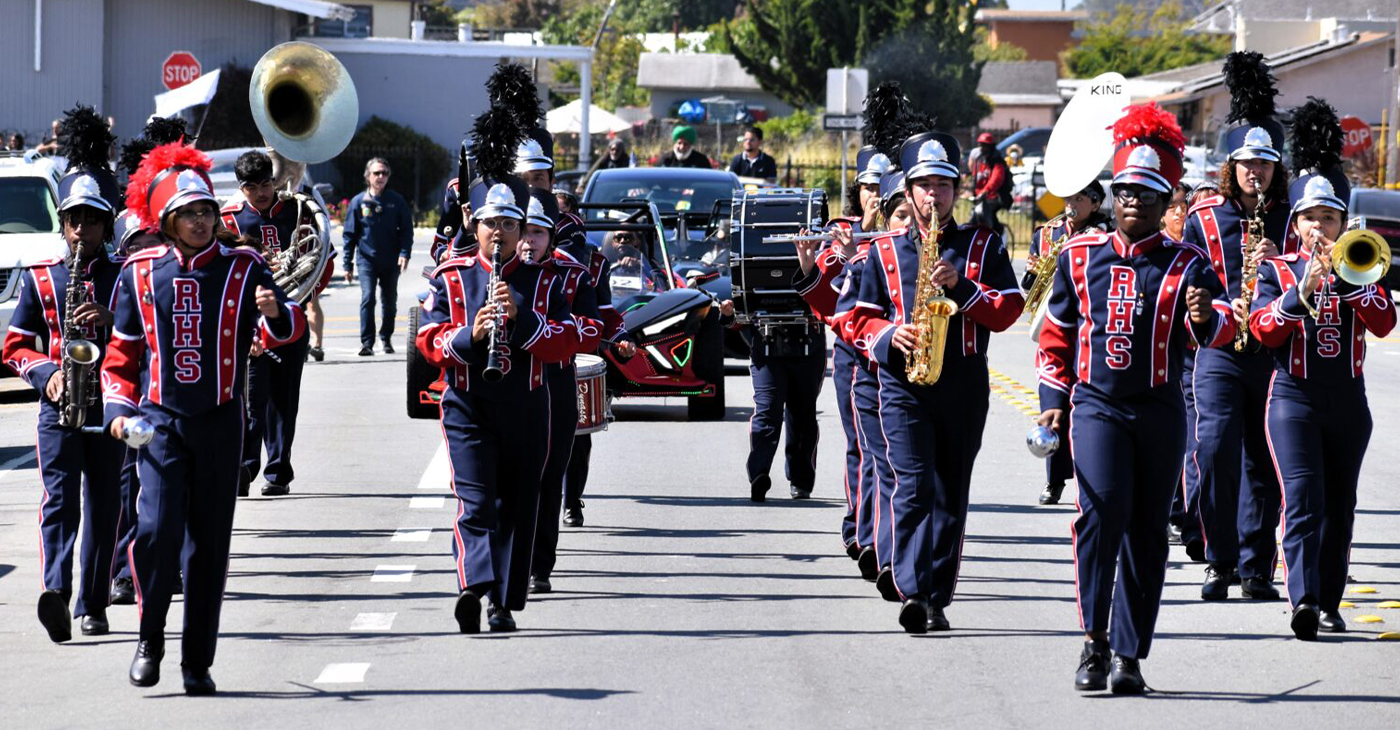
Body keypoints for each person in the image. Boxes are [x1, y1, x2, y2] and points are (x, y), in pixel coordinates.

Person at [1036, 103, 1232, 694]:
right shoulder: (1078, 255)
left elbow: (1223, 321)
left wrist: (1206, 316)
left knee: (1148, 529)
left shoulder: (1187, 261)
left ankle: (1129, 655)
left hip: (1159, 408)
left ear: (1164, 199)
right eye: (1123, 191)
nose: (1131, 203)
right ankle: (1092, 643)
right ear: (1111, 193)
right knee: (1101, 515)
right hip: (1095, 405)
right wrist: (1053, 393)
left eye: (1146, 194)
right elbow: (1056, 331)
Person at [104, 140, 305, 694]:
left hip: (221, 421)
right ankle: (149, 637)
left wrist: (277, 312)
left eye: (206, 211)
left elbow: (285, 337)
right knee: (154, 533)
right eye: (188, 213)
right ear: (166, 221)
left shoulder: (244, 266)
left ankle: (198, 661)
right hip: (160, 423)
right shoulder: (140, 272)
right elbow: (120, 359)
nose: (199, 221)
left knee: (209, 546)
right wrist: (120, 414)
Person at [848, 125, 1025, 633]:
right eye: (924, 185)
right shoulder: (882, 251)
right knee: (912, 486)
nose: (933, 194)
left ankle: (937, 593)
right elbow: (857, 317)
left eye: (943, 185)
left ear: (956, 191)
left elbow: (1009, 309)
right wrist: (888, 334)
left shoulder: (984, 246)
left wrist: (963, 287)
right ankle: (913, 590)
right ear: (908, 191)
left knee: (951, 491)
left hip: (964, 380)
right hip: (905, 382)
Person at [415, 107, 585, 633]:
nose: (499, 233)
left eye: (509, 225)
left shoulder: (545, 279)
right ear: (475, 224)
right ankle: (473, 585)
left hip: (527, 404)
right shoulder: (452, 274)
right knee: (474, 501)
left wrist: (524, 319)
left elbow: (572, 339)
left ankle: (502, 602)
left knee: (519, 503)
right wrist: (472, 336)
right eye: (490, 223)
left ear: (521, 230)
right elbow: (428, 339)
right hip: (467, 402)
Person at [1249, 98, 1396, 640]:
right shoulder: (1276, 269)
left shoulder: (1360, 263)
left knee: (1340, 504)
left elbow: (1384, 324)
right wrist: (1302, 289)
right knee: (1304, 497)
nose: (1320, 225)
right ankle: (1304, 600)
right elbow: (1264, 329)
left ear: (1342, 223)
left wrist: (1351, 281)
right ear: (1296, 223)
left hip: (1347, 400)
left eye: (1329, 217)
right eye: (1310, 217)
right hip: (1293, 397)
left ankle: (1330, 599)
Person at [2, 106, 126, 643]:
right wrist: (47, 372)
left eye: (92, 219)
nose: (81, 229)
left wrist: (112, 320)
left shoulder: (125, 278)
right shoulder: (41, 277)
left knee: (104, 504)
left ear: (106, 224)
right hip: (59, 404)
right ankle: (56, 590)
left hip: (109, 403)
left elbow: (148, 339)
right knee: (58, 501)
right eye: (73, 219)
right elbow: (14, 344)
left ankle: (93, 604)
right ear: (63, 222)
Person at [1180, 51, 1290, 602]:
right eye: (1248, 164)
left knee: (1262, 462)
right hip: (1218, 350)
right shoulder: (1204, 218)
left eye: (1265, 164)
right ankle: (1217, 560)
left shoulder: (1292, 219)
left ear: (1276, 168)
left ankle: (1255, 567)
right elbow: (1187, 283)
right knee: (1216, 446)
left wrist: (1282, 259)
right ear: (1232, 167)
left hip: (1271, 352)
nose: (1256, 172)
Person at [221, 150, 312, 497]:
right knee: (248, 399)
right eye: (251, 187)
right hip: (250, 324)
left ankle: (278, 472)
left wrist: (301, 288)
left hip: (290, 319)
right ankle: (245, 466)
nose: (260, 193)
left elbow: (323, 262)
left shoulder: (297, 211)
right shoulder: (228, 221)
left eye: (265, 184)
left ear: (273, 181)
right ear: (241, 189)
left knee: (284, 400)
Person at [1021, 180, 1108, 506]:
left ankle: (1091, 479)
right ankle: (1054, 479)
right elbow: (1028, 287)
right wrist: (1032, 274)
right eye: (1069, 197)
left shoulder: (1105, 236)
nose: (1072, 203)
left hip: (1088, 328)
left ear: (1096, 204)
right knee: (1052, 403)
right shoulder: (1047, 233)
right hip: (1051, 324)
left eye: (1080, 198)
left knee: (1086, 407)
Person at [342, 157, 413, 356]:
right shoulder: (358, 202)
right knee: (367, 298)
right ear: (368, 176)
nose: (380, 176)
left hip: (391, 261)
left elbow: (406, 230)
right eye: (376, 173)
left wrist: (404, 253)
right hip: (367, 261)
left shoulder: (396, 201)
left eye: (384, 173)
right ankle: (367, 342)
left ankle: (386, 337)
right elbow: (349, 235)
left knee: (389, 302)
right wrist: (347, 264)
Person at [970, 132, 1010, 235]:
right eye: (981, 145)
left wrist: (986, 191)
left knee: (987, 213)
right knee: (975, 220)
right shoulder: (979, 160)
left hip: (994, 196)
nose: (983, 148)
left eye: (985, 146)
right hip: (980, 197)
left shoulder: (997, 161)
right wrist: (972, 191)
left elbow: (997, 179)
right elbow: (975, 177)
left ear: (991, 146)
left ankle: (1000, 233)